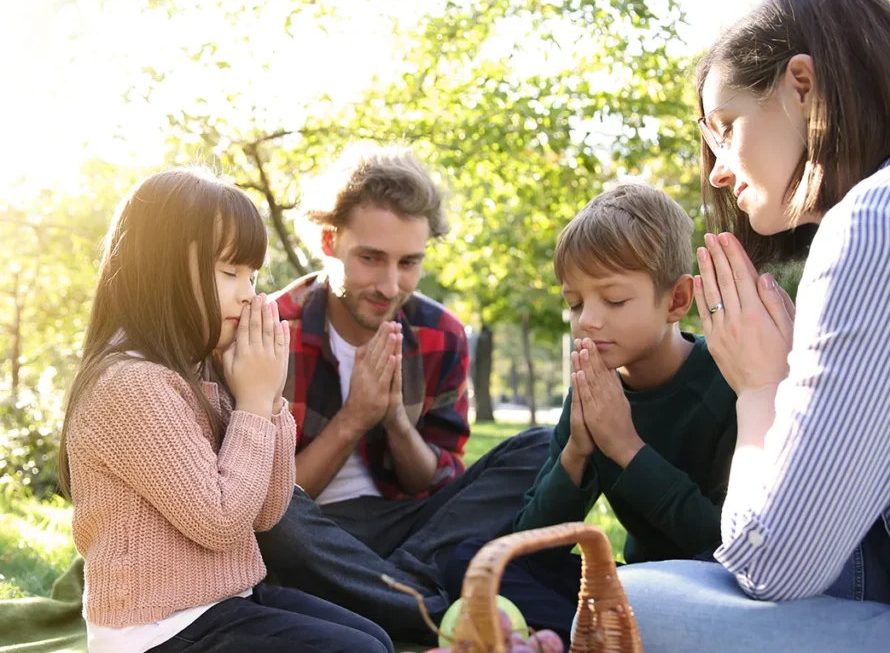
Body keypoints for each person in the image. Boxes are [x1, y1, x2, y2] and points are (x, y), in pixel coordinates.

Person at [615, 0, 890, 653]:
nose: (716, 171)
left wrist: (759, 388)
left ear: (801, 86)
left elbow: (775, 564)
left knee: (628, 605)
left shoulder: (888, 220)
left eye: (726, 129)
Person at [57, 169, 394, 653]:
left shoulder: (200, 373)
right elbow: (219, 522)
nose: (248, 294)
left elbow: (266, 511)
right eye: (229, 272)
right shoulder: (129, 384)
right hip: (157, 630)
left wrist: (270, 399)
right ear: (160, 270)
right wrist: (255, 405)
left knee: (374, 637)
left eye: (252, 275)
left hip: (219, 601)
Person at [255, 144, 550, 644]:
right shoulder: (271, 331)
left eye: (409, 262)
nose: (390, 286)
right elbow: (261, 502)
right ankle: (425, 602)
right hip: (315, 533)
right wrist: (354, 419)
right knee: (269, 510)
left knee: (544, 446)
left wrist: (393, 421)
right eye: (371, 259)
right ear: (329, 241)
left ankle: (396, 586)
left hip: (413, 532)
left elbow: (433, 487)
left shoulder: (441, 334)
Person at [443, 183, 738, 646]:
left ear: (677, 301)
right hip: (630, 586)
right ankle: (599, 639)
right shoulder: (593, 388)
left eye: (614, 300)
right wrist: (578, 451)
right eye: (575, 303)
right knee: (473, 562)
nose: (588, 321)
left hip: (710, 588)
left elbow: (724, 543)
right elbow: (536, 541)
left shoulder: (728, 385)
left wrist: (626, 447)